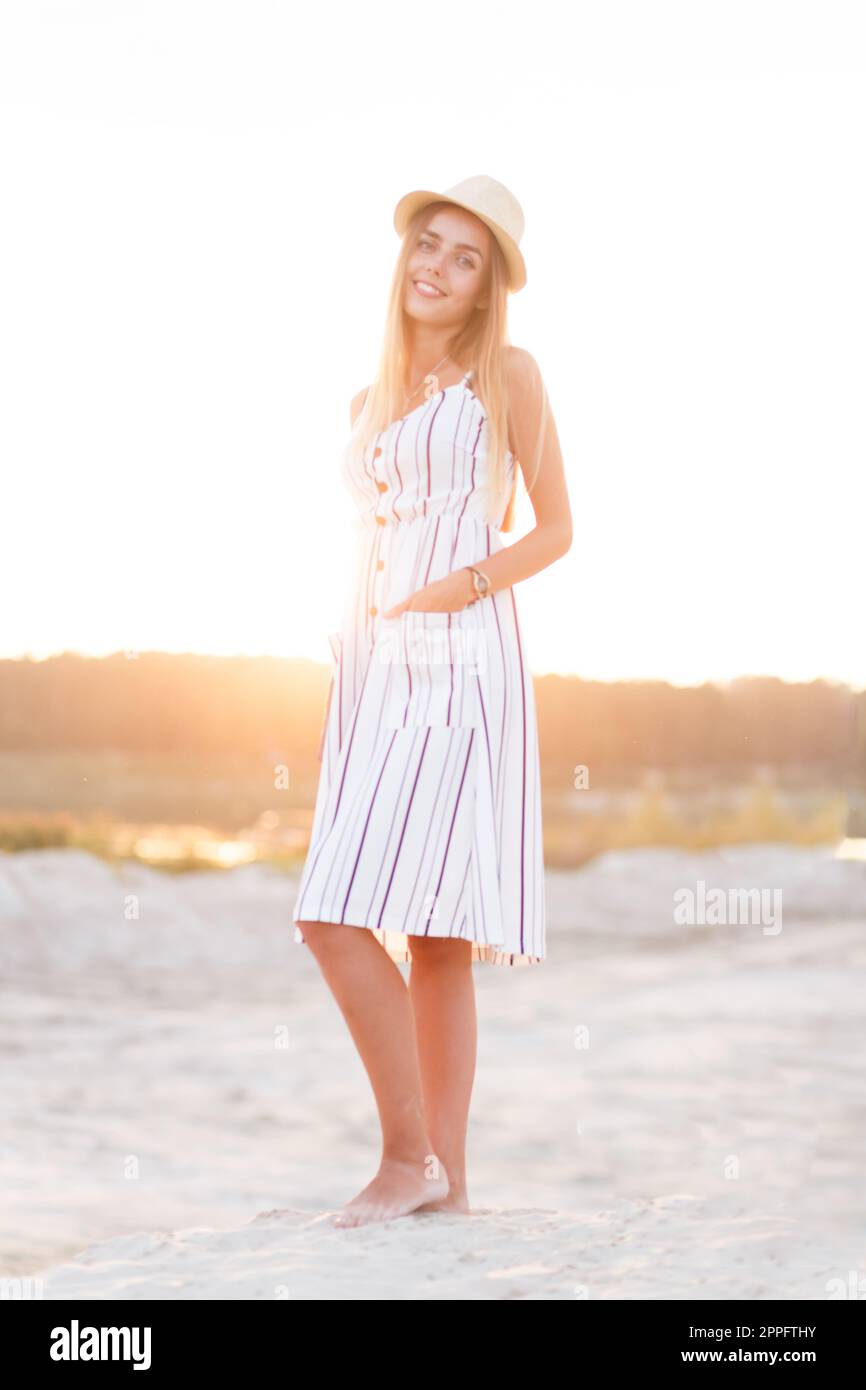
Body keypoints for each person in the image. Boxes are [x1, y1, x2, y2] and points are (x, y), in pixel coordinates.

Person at [291, 175, 573, 1227]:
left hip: (460, 657)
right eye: (428, 244)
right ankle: (438, 1181)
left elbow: (554, 529)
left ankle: (413, 1160)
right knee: (393, 924)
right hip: (371, 670)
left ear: (487, 284)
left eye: (464, 258)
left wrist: (461, 586)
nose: (436, 268)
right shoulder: (361, 402)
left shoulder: (509, 376)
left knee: (361, 919)